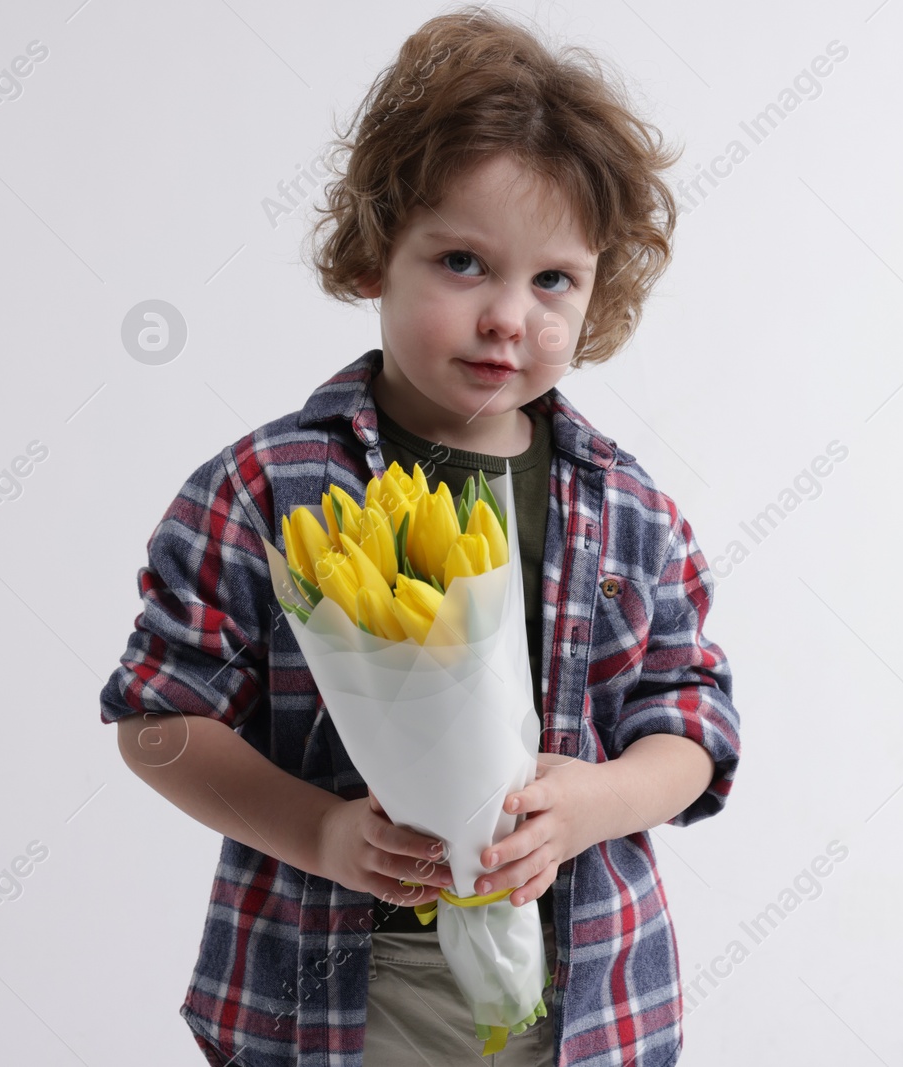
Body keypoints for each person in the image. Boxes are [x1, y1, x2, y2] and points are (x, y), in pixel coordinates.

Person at [99, 8, 741, 1065]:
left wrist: (594, 801)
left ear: (597, 289)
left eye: (552, 281)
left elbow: (694, 724)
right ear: (373, 257)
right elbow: (158, 721)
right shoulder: (269, 489)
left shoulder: (628, 506)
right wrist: (319, 831)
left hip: (581, 1000)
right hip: (331, 996)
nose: (507, 316)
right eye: (460, 262)